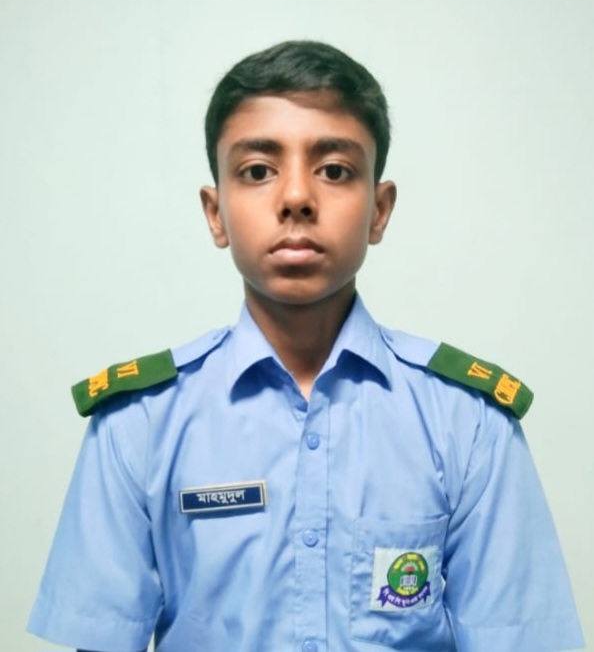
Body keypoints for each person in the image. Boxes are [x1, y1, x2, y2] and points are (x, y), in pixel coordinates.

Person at [28, 40, 584, 652]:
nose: (296, 198)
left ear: (379, 209)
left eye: (335, 170)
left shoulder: (469, 423)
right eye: (257, 171)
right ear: (216, 213)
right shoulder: (138, 424)